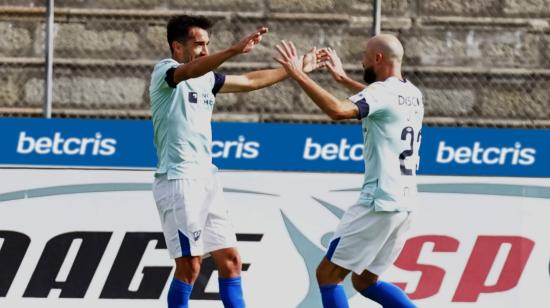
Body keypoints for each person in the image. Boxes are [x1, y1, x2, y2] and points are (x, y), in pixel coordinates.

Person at [149, 15, 320, 308]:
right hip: (179, 180)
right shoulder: (166, 72)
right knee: (190, 267)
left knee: (231, 261)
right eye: (198, 44)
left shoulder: (206, 78)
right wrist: (232, 51)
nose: (204, 49)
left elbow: (251, 81)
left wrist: (295, 69)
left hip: (207, 180)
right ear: (177, 47)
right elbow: (191, 70)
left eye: (207, 44)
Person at [275, 34, 423, 307]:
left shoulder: (382, 93)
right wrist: (342, 80)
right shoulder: (412, 93)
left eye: (365, 56)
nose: (362, 60)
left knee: (327, 275)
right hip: (405, 205)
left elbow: (338, 111)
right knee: (364, 281)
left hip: (378, 202)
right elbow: (382, 104)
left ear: (378, 59)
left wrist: (298, 75)